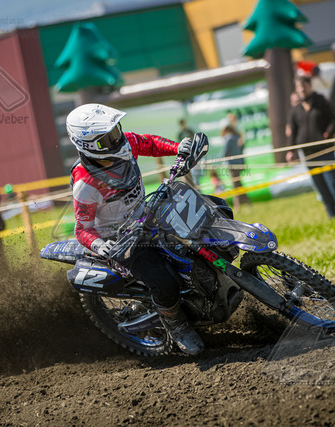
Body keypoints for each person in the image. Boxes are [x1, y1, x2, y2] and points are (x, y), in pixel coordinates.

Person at [67, 103, 205, 355]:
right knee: (164, 281)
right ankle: (176, 325)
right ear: (88, 145)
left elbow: (149, 143)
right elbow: (81, 229)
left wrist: (177, 148)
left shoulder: (125, 143)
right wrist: (100, 245)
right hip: (122, 241)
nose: (117, 137)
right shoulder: (85, 184)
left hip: (149, 215)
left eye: (116, 130)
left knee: (204, 226)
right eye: (108, 137)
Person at [287, 76, 335, 219]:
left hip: (325, 149)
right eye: (299, 87)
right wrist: (291, 151)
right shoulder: (295, 110)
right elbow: (293, 132)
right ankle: (331, 212)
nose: (302, 89)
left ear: (310, 85)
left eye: (304, 86)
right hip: (308, 153)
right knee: (319, 184)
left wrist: (329, 133)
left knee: (332, 180)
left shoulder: (321, 101)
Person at [220, 122, 248, 210]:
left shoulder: (229, 139)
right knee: (238, 184)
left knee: (236, 185)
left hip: (232, 165)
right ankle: (245, 202)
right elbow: (242, 149)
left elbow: (225, 153)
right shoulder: (237, 137)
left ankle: (238, 204)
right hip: (239, 164)